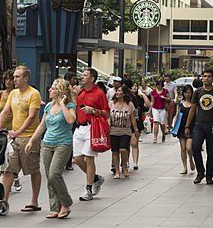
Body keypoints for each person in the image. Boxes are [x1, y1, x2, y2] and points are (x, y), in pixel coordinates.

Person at [0, 65, 43, 212]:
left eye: (17, 77)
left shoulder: (33, 94)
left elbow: (31, 116)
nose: (14, 79)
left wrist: (18, 132)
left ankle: (34, 201)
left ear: (26, 78)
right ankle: (4, 201)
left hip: (29, 138)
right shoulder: (13, 93)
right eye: (14, 77)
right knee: (8, 170)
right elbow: (4, 112)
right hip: (13, 139)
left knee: (33, 169)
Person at [28, 79, 76, 219]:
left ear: (60, 91)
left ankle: (66, 204)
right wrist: (32, 140)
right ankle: (55, 207)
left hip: (63, 144)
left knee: (55, 174)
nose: (49, 90)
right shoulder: (48, 106)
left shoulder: (70, 105)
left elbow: (70, 120)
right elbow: (42, 125)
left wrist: (62, 104)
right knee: (49, 176)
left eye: (53, 88)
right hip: (47, 143)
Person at [184, 69, 213, 185]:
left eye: (209, 76)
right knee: (195, 147)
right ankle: (200, 172)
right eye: (205, 76)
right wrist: (187, 126)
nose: (206, 78)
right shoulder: (197, 92)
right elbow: (192, 110)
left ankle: (209, 175)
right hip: (199, 125)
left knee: (211, 151)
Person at [74, 68, 108, 201]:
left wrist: (93, 110)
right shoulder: (80, 92)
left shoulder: (99, 93)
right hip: (79, 128)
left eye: (85, 75)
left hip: (92, 128)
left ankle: (88, 188)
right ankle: (95, 178)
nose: (82, 77)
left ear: (92, 78)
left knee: (89, 157)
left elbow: (106, 113)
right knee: (77, 159)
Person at [0, 70, 21, 193]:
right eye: (6, 79)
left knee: (12, 155)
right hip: (2, 128)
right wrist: (1, 116)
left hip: (14, 128)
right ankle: (8, 178)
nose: (8, 82)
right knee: (2, 155)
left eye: (10, 79)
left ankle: (15, 176)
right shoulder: (0, 94)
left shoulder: (17, 94)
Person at [107, 85, 137, 179]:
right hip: (113, 131)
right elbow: (107, 117)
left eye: (119, 91)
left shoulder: (130, 105)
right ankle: (117, 171)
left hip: (125, 131)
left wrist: (135, 130)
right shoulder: (111, 103)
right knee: (115, 152)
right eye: (117, 91)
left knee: (123, 150)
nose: (117, 92)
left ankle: (124, 166)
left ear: (124, 93)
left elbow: (132, 119)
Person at [127, 80, 150, 171]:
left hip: (137, 123)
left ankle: (135, 162)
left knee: (134, 143)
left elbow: (148, 105)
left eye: (136, 86)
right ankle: (126, 161)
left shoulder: (139, 97)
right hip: (127, 123)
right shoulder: (126, 98)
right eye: (133, 86)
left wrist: (143, 95)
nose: (134, 88)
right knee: (127, 143)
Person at [174, 85, 195, 175]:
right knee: (182, 148)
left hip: (192, 127)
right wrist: (174, 127)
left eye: (189, 93)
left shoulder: (194, 104)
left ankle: (191, 158)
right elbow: (177, 114)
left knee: (188, 147)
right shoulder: (181, 103)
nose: (187, 94)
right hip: (181, 127)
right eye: (186, 93)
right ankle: (185, 167)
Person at [149, 78, 170, 143]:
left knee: (162, 123)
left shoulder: (165, 91)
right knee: (156, 122)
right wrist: (149, 110)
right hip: (155, 108)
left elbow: (169, 98)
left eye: (160, 84)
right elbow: (152, 101)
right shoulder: (153, 92)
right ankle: (155, 138)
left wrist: (164, 98)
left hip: (163, 108)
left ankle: (163, 134)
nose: (159, 86)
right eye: (158, 84)